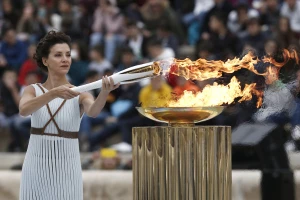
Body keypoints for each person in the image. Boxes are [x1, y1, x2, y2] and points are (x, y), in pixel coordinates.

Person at [18, 30, 119, 200]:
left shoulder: (80, 92)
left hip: (68, 166)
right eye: (58, 55)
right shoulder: (33, 90)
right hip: (35, 165)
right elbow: (24, 110)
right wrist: (53, 93)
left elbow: (93, 111)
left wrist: (104, 92)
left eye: (68, 55)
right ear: (45, 61)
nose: (65, 59)